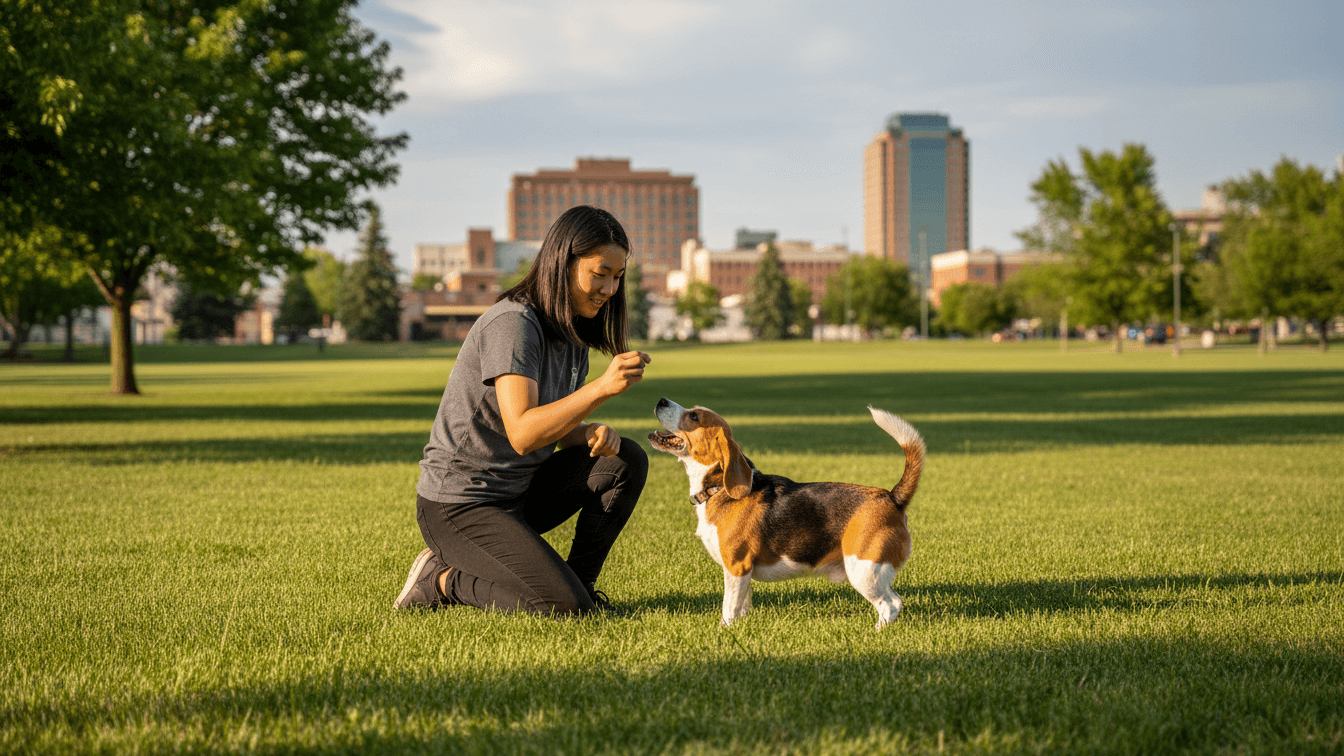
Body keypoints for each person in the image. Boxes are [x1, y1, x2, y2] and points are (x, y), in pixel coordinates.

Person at [393, 205, 651, 617]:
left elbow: (550, 420)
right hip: (461, 504)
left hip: (519, 492)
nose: (609, 288)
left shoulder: (571, 335)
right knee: (563, 610)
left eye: (617, 277)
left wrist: (585, 433)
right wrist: (602, 388)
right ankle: (440, 579)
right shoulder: (513, 324)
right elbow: (524, 433)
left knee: (626, 460)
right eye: (600, 273)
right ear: (562, 262)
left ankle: (579, 586)